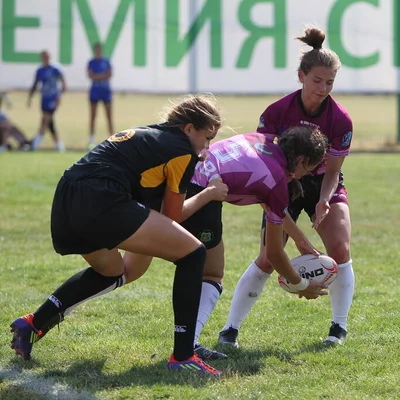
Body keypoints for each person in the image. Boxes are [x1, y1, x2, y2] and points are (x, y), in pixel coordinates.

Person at [9, 94, 223, 376]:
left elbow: (148, 227)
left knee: (112, 271)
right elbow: (172, 218)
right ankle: (183, 356)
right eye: (206, 137)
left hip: (68, 196)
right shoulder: (181, 150)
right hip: (101, 197)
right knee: (193, 253)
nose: (206, 146)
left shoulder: (152, 136)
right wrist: (208, 195)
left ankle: (33, 322)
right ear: (188, 129)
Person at [121, 126, 329, 362]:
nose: (306, 176)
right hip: (202, 191)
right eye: (309, 169)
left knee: (127, 270)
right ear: (300, 160)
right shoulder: (277, 180)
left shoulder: (264, 140)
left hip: (176, 175)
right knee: (212, 273)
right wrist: (300, 284)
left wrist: (300, 239)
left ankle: (71, 300)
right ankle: (188, 346)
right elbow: (273, 252)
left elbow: (267, 198)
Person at [219, 26, 355, 348]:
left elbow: (333, 170)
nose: (323, 89)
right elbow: (264, 164)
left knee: (340, 249)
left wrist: (323, 201)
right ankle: (230, 330)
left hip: (322, 182)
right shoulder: (277, 112)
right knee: (267, 257)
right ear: (301, 76)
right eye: (317, 81)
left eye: (330, 83)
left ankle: (338, 328)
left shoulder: (341, 120)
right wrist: (301, 238)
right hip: (282, 181)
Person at [28, 50, 67, 152]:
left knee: (45, 119)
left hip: (53, 98)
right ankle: (59, 145)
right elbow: (35, 84)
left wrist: (60, 95)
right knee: (50, 123)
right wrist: (30, 97)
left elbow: (63, 83)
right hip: (44, 99)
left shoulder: (55, 69)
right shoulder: (40, 70)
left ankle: (35, 143)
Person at [87, 43, 114, 150]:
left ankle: (112, 137)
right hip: (95, 91)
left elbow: (109, 74)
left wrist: (97, 76)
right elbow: (90, 75)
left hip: (106, 91)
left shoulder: (106, 61)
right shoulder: (91, 62)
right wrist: (101, 76)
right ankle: (91, 139)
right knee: (93, 116)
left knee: (109, 116)